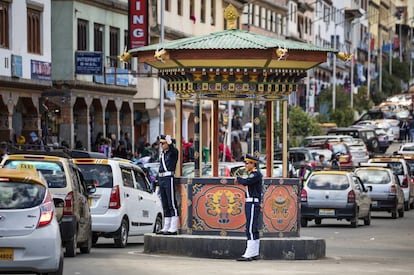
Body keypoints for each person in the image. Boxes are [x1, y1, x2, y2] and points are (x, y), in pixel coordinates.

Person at [234, 154, 263, 261]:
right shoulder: (253, 174)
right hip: (251, 202)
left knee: (250, 228)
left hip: (252, 203)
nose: (245, 165)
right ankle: (254, 252)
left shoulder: (255, 174)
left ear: (253, 164)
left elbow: (246, 182)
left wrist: (238, 178)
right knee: (253, 228)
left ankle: (249, 254)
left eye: (247, 163)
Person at [156, 134, 179, 235]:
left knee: (171, 203)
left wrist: (170, 143)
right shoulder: (163, 154)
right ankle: (166, 226)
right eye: (160, 143)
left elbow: (174, 150)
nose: (161, 145)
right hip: (161, 178)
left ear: (168, 143)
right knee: (164, 203)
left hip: (169, 177)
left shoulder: (173, 153)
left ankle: (173, 227)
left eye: (163, 143)